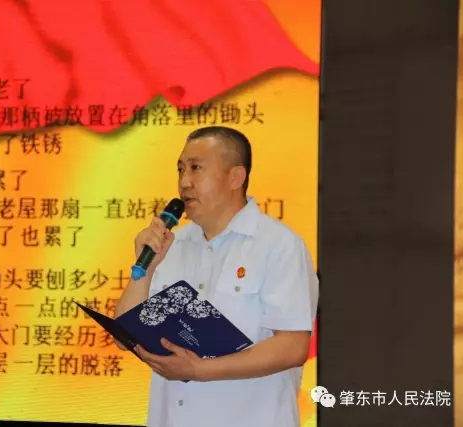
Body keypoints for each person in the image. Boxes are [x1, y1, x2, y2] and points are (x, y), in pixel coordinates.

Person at [115, 126, 319, 427]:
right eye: (180, 169)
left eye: (196, 168)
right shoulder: (173, 244)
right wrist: (145, 268)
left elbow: (292, 346)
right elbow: (124, 337)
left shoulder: (278, 244)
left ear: (235, 177)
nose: (184, 182)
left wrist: (200, 370)